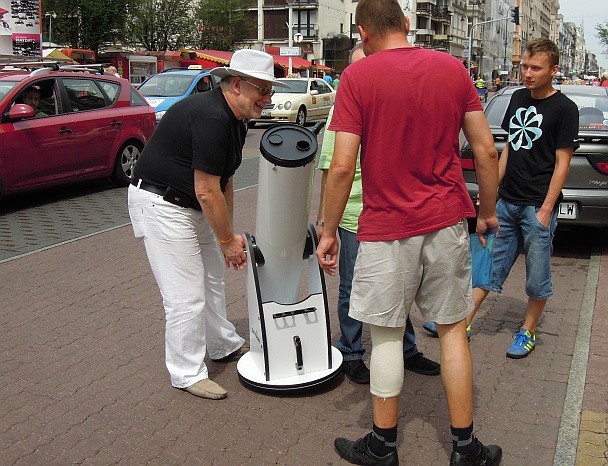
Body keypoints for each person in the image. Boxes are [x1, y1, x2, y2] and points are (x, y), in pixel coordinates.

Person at [315, 0, 502, 464]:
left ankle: (383, 445)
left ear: (362, 32)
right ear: (406, 24)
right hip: (445, 221)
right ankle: (465, 448)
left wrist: (328, 230)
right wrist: (487, 211)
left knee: (384, 335)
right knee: (453, 331)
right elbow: (486, 149)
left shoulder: (358, 78)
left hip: (385, 226)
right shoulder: (453, 69)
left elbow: (341, 168)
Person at [128, 49, 289, 400]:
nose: (267, 98)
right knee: (185, 297)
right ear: (236, 85)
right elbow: (207, 190)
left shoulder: (234, 118)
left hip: (191, 204)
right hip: (163, 204)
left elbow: (224, 181)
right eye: (262, 90)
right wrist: (227, 239)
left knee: (213, 280)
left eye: (270, 91)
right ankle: (186, 372)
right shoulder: (213, 117)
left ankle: (223, 344)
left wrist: (225, 236)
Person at [316, 41, 440, 385]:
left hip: (394, 212)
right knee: (353, 288)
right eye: (358, 67)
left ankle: (406, 350)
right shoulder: (341, 109)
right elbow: (331, 169)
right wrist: (326, 221)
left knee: (401, 285)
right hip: (356, 213)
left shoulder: (394, 104)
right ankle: (351, 351)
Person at [464, 38, 579, 360]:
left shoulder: (565, 109)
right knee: (489, 266)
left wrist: (545, 210)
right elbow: (510, 148)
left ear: (553, 70)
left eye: (536, 68)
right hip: (507, 203)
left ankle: (527, 331)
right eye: (525, 66)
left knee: (537, 276)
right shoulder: (517, 98)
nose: (528, 73)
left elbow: (563, 163)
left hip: (536, 207)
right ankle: (466, 321)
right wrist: (492, 195)